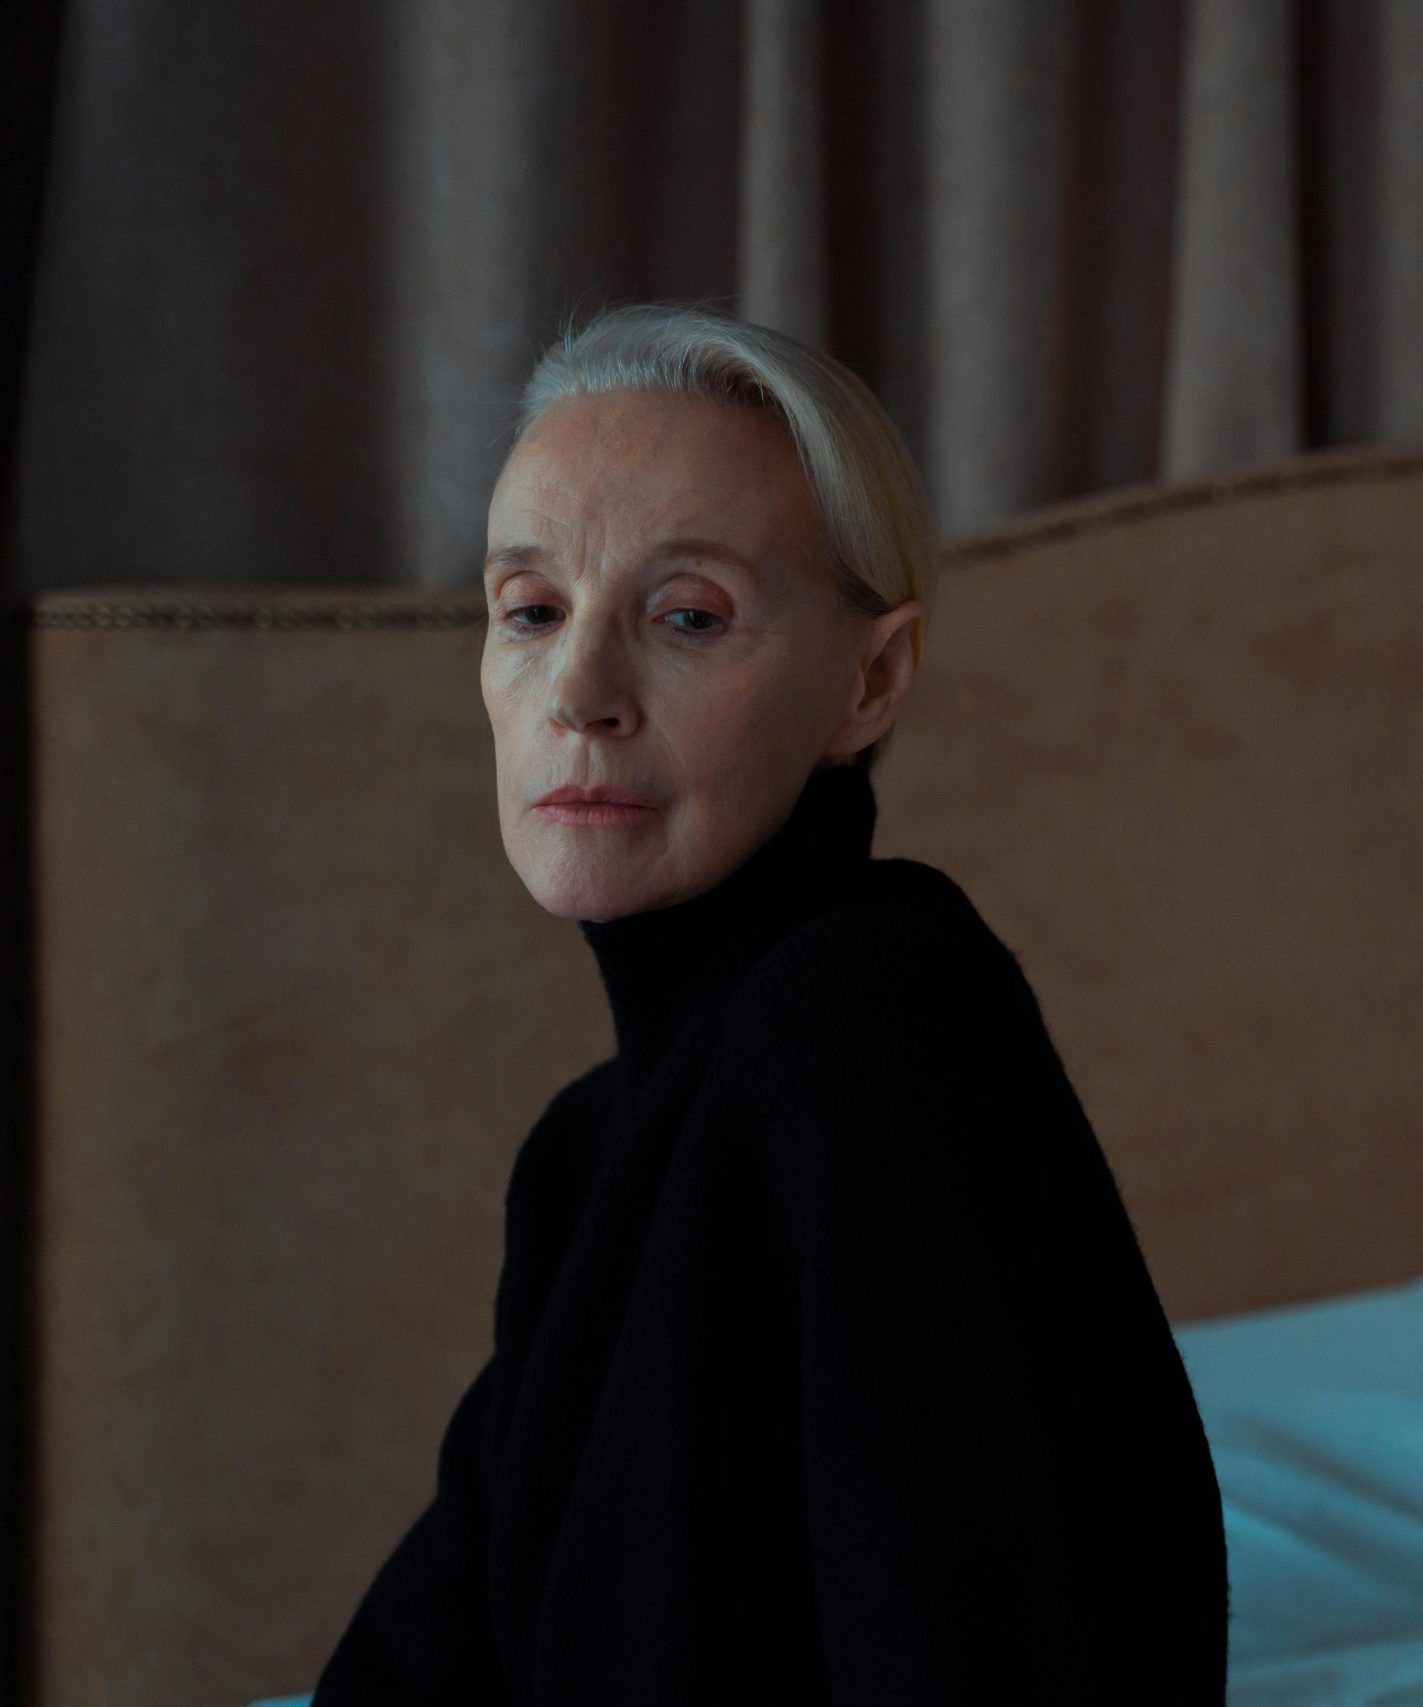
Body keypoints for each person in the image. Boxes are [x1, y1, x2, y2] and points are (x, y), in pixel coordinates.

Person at [308, 301, 1230, 1703]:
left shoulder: (869, 1018)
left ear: (872, 680)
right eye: (532, 611)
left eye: (688, 616)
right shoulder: (588, 1153)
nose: (579, 691)